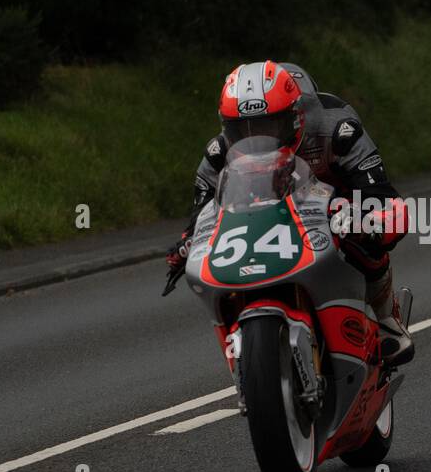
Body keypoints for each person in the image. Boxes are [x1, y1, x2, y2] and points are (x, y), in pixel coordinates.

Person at [166, 60, 414, 365]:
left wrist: (375, 220)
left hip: (336, 200)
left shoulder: (338, 130)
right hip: (264, 208)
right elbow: (202, 212)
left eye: (269, 126)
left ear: (295, 118)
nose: (255, 139)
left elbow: (380, 194)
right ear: (225, 127)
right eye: (241, 130)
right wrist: (187, 241)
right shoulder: (218, 154)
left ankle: (386, 318)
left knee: (365, 239)